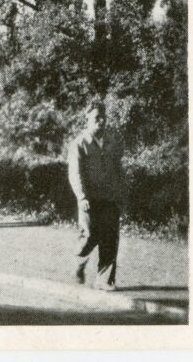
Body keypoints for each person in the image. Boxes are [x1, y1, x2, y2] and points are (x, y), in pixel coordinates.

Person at [67, 101, 124, 291]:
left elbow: (118, 170)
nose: (101, 121)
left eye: (103, 118)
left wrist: (121, 194)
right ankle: (79, 261)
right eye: (96, 118)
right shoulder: (79, 144)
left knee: (110, 237)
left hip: (109, 197)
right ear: (87, 120)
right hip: (89, 199)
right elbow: (75, 173)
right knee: (89, 236)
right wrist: (81, 196)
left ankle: (104, 280)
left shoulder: (112, 142)